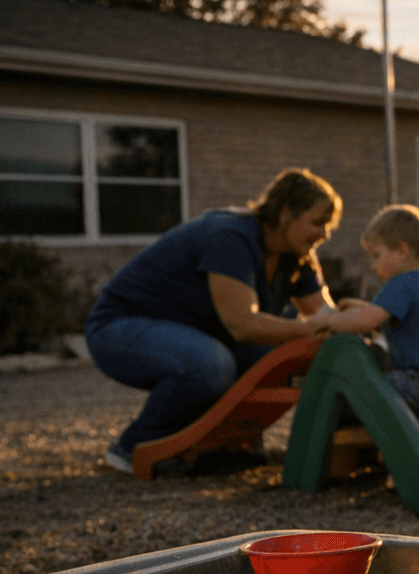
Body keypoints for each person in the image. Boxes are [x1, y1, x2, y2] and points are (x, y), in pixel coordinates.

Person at [86, 168, 341, 474]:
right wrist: (308, 329)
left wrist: (366, 317)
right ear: (286, 212)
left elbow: (325, 315)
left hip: (195, 333)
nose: (324, 235)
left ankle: (228, 444)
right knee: (211, 365)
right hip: (120, 326)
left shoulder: (297, 255)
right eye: (317, 223)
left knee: (285, 357)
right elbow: (242, 324)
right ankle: (134, 448)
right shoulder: (231, 236)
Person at [308, 204, 419, 416]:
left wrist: (328, 320)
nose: (373, 266)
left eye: (376, 256)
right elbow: (388, 316)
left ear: (402, 251)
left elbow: (367, 321)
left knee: (355, 385)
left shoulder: (401, 282)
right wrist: (361, 309)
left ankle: (351, 443)